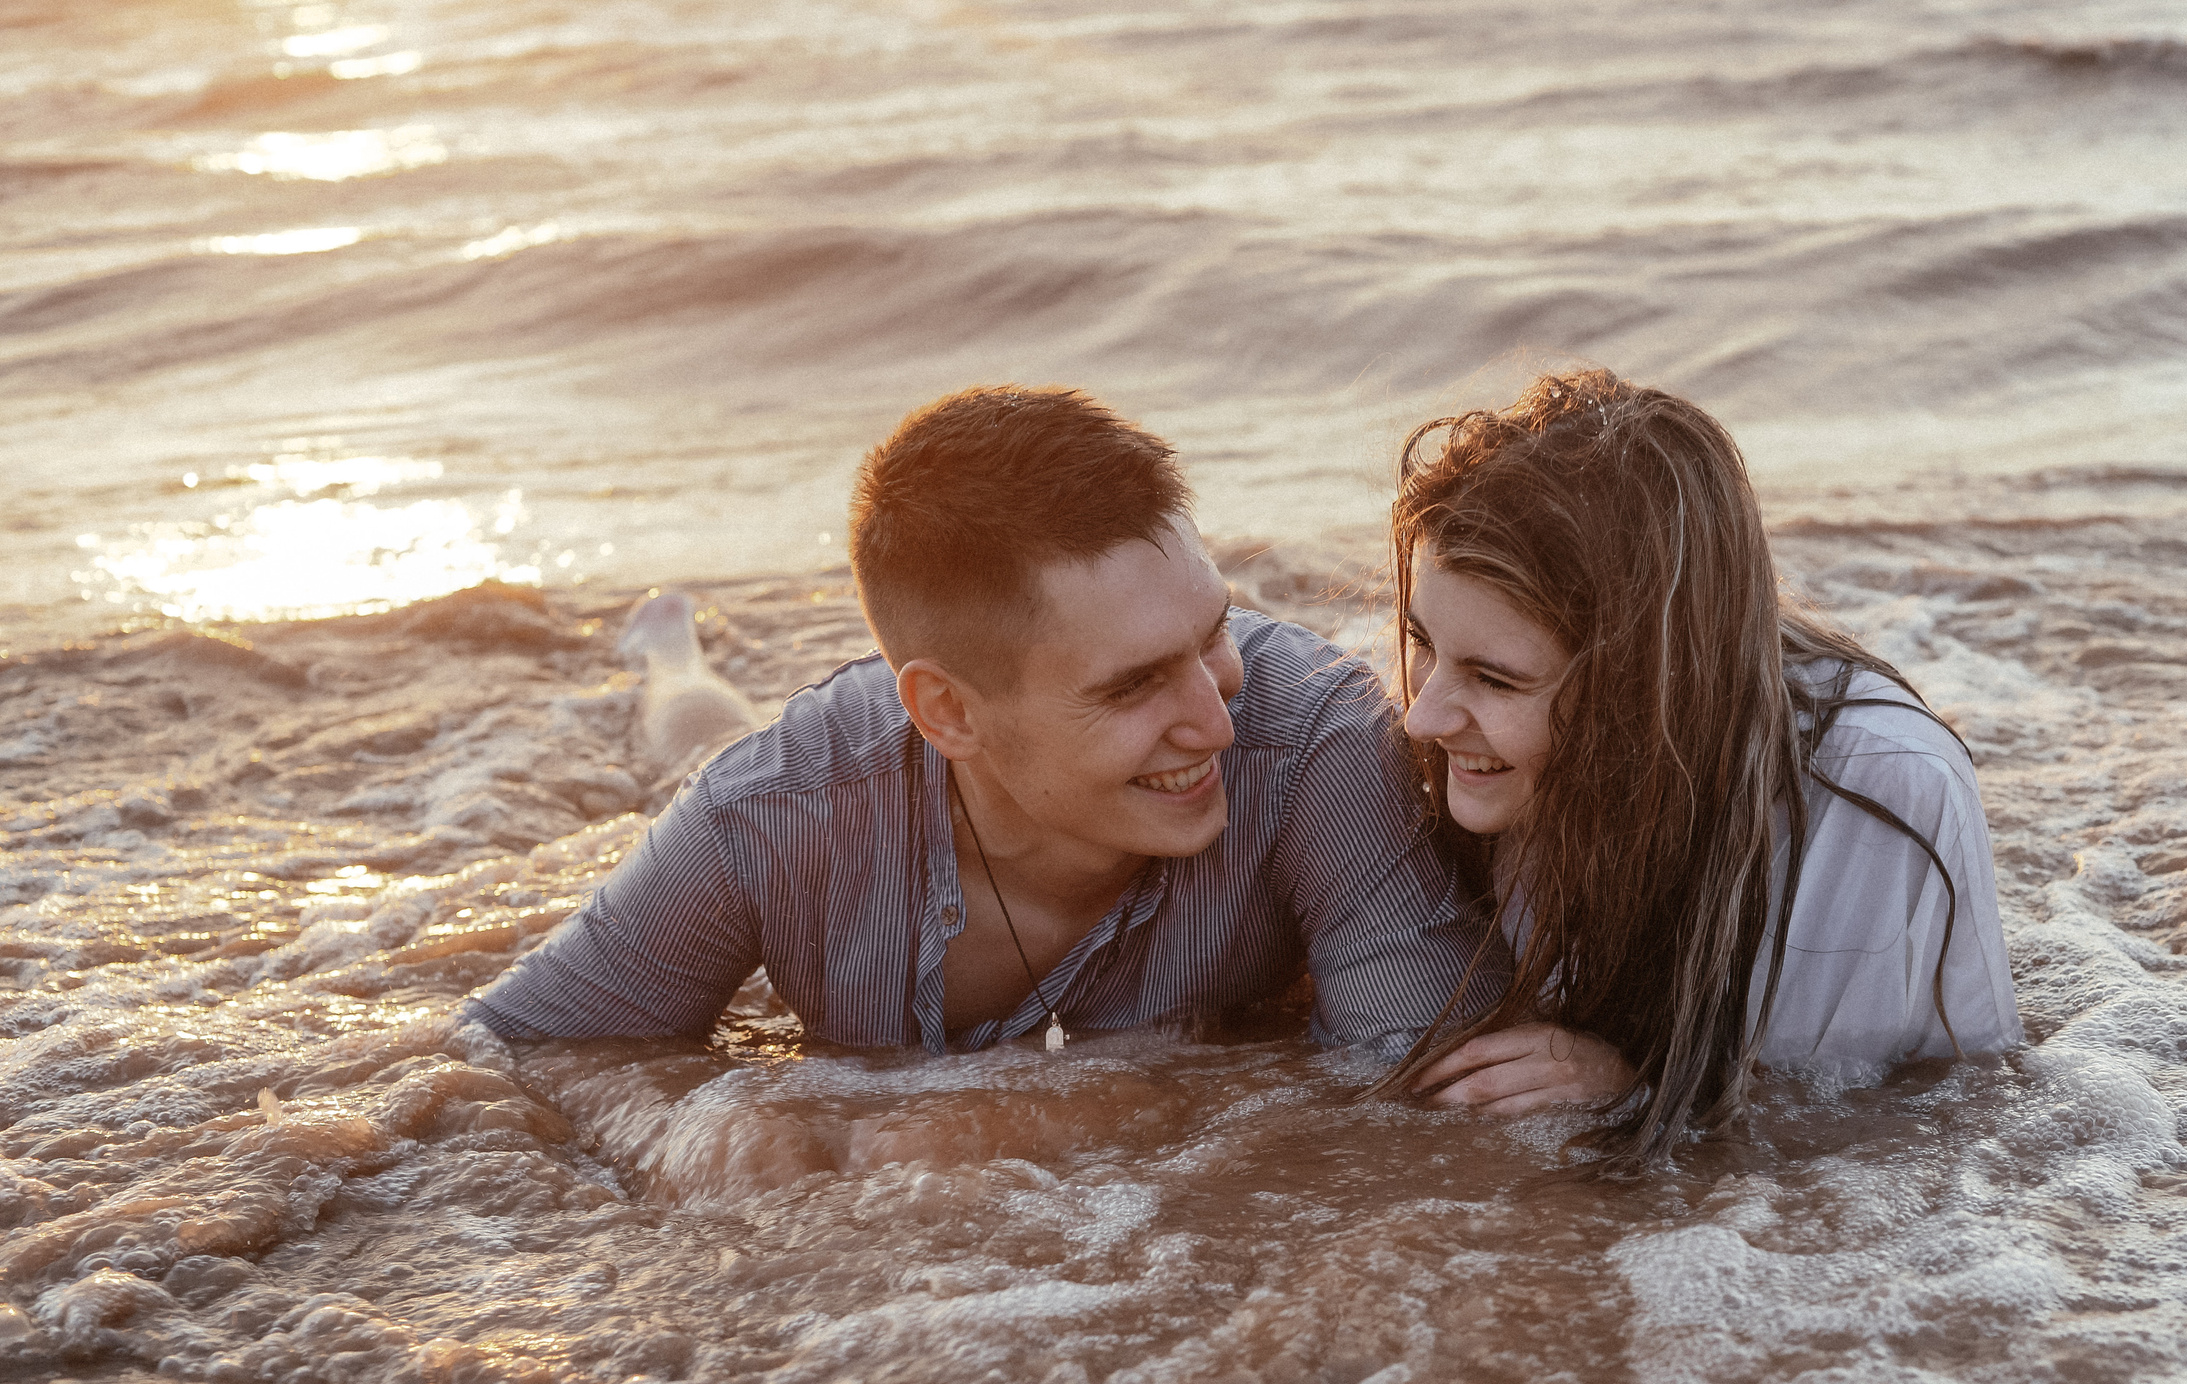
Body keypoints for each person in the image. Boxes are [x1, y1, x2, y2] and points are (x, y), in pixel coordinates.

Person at [464, 385, 1501, 1054]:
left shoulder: (1316, 738)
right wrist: (711, 1128)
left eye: (1212, 636)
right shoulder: (770, 815)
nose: (1216, 722)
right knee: (693, 734)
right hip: (784, 764)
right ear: (947, 713)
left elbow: (1422, 1096)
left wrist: (1030, 1123)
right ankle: (668, 650)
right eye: (1134, 685)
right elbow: (505, 1060)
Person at [1380, 369, 2021, 1166]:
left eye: (1495, 679)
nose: (1422, 716)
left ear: (1642, 688)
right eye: (1422, 642)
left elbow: (1929, 1129)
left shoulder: (1881, 799)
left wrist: (1642, 1090)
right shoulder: (1447, 760)